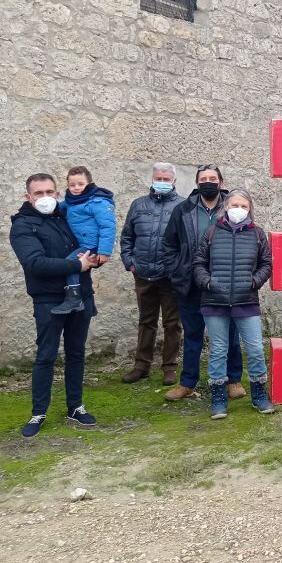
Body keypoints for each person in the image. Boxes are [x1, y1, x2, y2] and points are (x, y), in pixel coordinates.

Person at [10, 173, 98, 438]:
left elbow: (86, 242)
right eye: (39, 193)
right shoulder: (23, 226)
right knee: (46, 357)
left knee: (76, 354)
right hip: (48, 300)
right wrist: (76, 265)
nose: (45, 198)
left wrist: (93, 256)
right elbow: (35, 263)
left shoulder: (66, 217)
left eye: (50, 192)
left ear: (57, 194)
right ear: (28, 197)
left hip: (80, 295)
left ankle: (75, 407)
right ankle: (38, 412)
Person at [160, 165, 246, 402]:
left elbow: (249, 239)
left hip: (224, 284)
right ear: (197, 183)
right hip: (190, 284)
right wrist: (175, 271)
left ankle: (233, 379)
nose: (208, 182)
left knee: (229, 334)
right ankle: (187, 382)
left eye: (213, 178)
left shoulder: (233, 207)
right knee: (193, 334)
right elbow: (169, 245)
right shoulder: (183, 210)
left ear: (220, 181)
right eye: (204, 179)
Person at [192, 189, 274, 418]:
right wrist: (207, 283)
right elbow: (199, 262)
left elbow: (266, 264)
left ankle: (259, 393)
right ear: (226, 207)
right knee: (219, 350)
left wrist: (253, 281)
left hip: (246, 301)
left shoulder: (257, 234)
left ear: (250, 210)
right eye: (234, 205)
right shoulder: (211, 232)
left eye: (244, 206)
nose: (239, 209)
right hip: (214, 302)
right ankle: (218, 397)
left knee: (256, 349)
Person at [119, 162, 183, 385]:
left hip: (170, 276)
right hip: (143, 273)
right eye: (159, 178)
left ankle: (169, 367)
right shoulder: (138, 205)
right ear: (152, 179)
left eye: (166, 179)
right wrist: (130, 263)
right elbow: (127, 237)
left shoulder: (183, 206)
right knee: (146, 321)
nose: (162, 182)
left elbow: (187, 243)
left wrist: (177, 268)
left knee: (172, 323)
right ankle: (141, 365)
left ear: (173, 181)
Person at [48, 166, 116, 315]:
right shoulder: (72, 201)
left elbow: (107, 227)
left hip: (92, 245)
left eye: (81, 184)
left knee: (70, 263)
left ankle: (74, 298)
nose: (76, 188)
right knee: (77, 267)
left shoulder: (97, 202)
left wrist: (104, 251)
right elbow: (58, 208)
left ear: (89, 183)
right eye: (72, 185)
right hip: (82, 244)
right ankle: (87, 304)